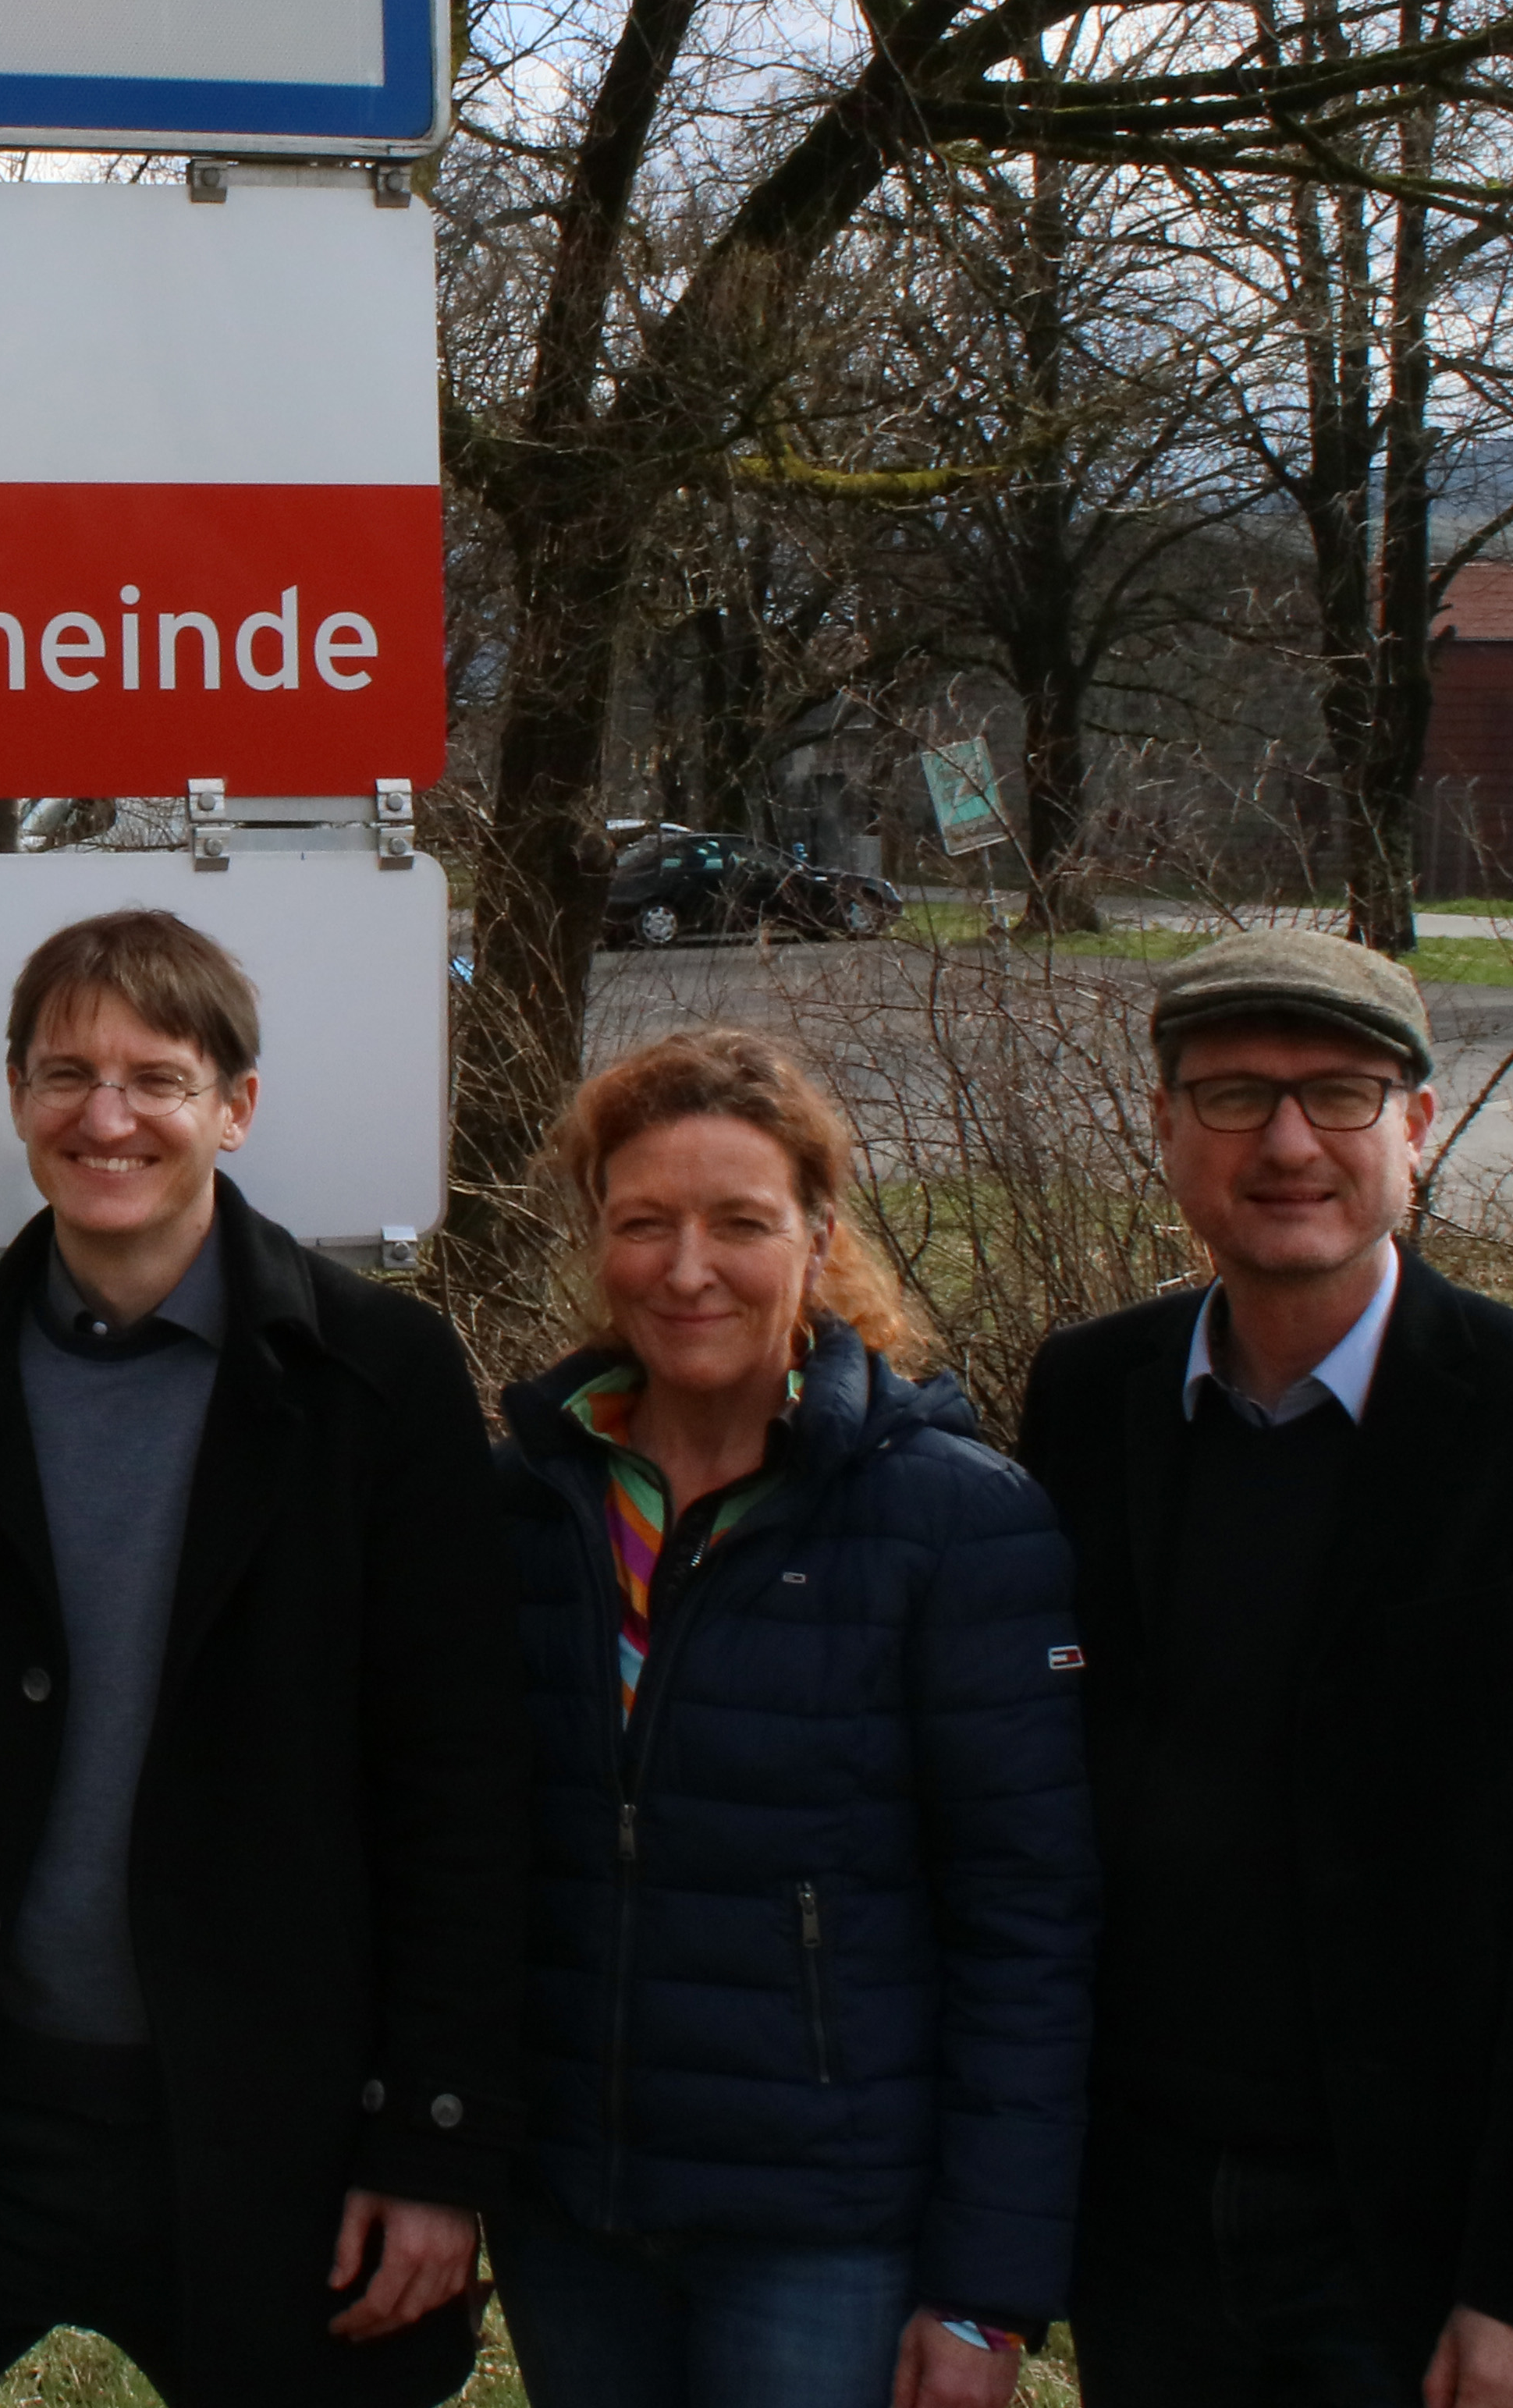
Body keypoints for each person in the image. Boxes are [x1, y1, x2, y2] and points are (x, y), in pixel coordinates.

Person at [0, 907, 526, 2408]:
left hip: (274, 2126)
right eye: (65, 1073)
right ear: (17, 1097)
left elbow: (460, 1775)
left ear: (236, 1107)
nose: (107, 1117)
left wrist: (433, 2139)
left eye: (156, 1077)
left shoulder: (376, 1381)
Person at [1016, 928, 1513, 2408]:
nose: (1285, 1143)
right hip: (1147, 2226)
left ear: (1417, 1125)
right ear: (1162, 1125)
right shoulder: (1091, 1398)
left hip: (1417, 2242)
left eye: (1338, 1094)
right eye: (1231, 1096)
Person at [487, 1028, 1094, 2408]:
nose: (687, 1269)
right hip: (571, 2202)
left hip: (826, 2228)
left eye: (739, 1223)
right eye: (645, 1223)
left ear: (819, 1236)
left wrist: (987, 2293)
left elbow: (1028, 1922)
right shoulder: (524, 1508)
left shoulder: (951, 1523)